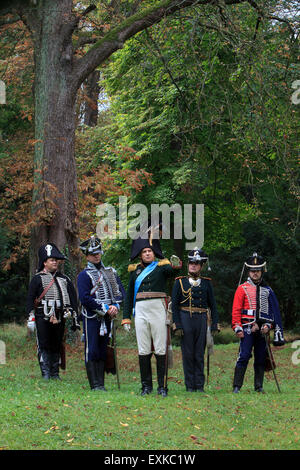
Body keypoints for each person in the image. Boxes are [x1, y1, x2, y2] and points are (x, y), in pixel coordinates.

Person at [122, 236, 181, 397]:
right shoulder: (135, 271)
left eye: (150, 251)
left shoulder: (162, 267)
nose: (147, 254)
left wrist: (173, 262)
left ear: (154, 253)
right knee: (143, 349)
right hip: (140, 310)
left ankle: (162, 387)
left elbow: (173, 270)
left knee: (161, 348)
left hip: (157, 309)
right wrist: (126, 317)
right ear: (140, 255)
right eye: (144, 252)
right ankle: (146, 387)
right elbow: (128, 296)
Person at [232, 252, 285, 393]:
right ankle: (237, 386)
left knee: (261, 357)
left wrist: (268, 325)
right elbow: (236, 310)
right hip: (247, 328)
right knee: (243, 356)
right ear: (249, 272)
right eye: (252, 271)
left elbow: (273, 313)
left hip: (263, 330)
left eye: (258, 271)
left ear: (262, 272)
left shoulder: (268, 290)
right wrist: (237, 327)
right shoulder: (241, 288)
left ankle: (258, 386)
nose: (255, 273)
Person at [77, 236, 125, 391]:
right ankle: (94, 384)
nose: (97, 256)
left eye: (98, 252)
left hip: (108, 318)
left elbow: (119, 292)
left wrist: (115, 306)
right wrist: (105, 308)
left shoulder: (111, 272)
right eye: (93, 254)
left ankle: (101, 384)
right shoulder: (84, 275)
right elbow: (84, 298)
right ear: (87, 256)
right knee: (92, 349)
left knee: (103, 348)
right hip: (92, 317)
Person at [26, 243, 79, 380]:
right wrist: (30, 316)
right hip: (42, 315)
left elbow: (73, 299)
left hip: (60, 315)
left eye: (56, 260)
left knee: (57, 343)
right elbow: (30, 298)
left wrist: (74, 316)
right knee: (44, 343)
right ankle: (46, 373)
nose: (55, 262)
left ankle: (55, 372)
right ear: (45, 262)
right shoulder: (37, 278)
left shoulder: (64, 279)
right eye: (52, 260)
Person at [171, 248, 219, 392]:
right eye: (191, 262)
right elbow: (174, 305)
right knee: (188, 354)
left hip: (202, 319)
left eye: (196, 263)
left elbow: (213, 305)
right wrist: (177, 324)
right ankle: (190, 386)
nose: (193, 265)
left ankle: (199, 385)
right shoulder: (179, 283)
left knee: (199, 353)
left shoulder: (207, 283)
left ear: (202, 266)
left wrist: (215, 323)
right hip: (185, 318)